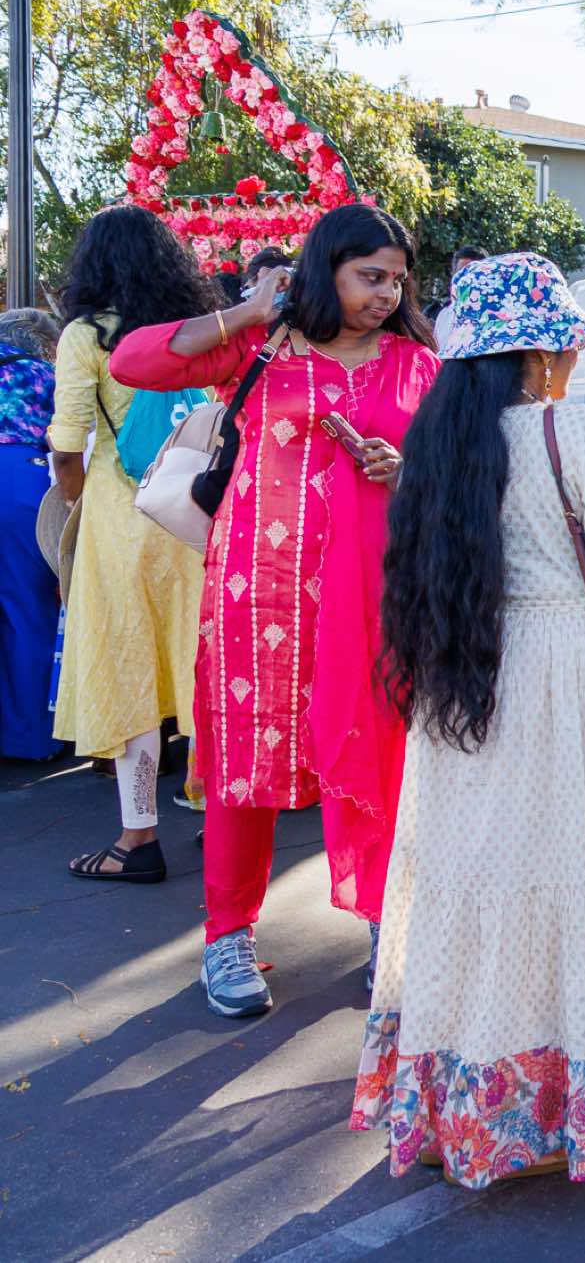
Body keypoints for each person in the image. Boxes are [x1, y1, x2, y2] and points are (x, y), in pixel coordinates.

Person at [361, 252, 585, 1188]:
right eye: (568, 345)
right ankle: (546, 1122)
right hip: (566, 687)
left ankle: (457, 1110)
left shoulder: (437, 442)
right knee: (568, 882)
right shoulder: (577, 433)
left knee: (469, 882)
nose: (575, 361)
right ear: (541, 352)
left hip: (461, 679)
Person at [111, 203, 439, 1019]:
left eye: (396, 281)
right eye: (370, 276)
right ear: (325, 268)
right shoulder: (263, 344)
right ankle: (227, 934)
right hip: (258, 589)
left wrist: (406, 468)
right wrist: (248, 310)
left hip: (372, 594)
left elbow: (455, 467)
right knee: (242, 761)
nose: (386, 295)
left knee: (378, 750)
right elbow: (132, 360)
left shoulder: (416, 364)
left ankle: (386, 921)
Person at [51, 207, 211, 883]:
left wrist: (73, 499)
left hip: (123, 520)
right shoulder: (198, 327)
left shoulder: (86, 335)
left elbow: (68, 442)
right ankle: (222, 821)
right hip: (198, 514)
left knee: (128, 668)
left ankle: (137, 836)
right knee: (203, 663)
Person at [0, 307, 65, 760]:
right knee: (26, 609)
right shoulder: (43, 376)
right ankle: (30, 737)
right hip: (21, 484)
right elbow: (68, 441)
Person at [430, 245, 488, 349]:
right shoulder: (443, 315)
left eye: (473, 273)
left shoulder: (495, 317)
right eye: (461, 274)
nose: (466, 280)